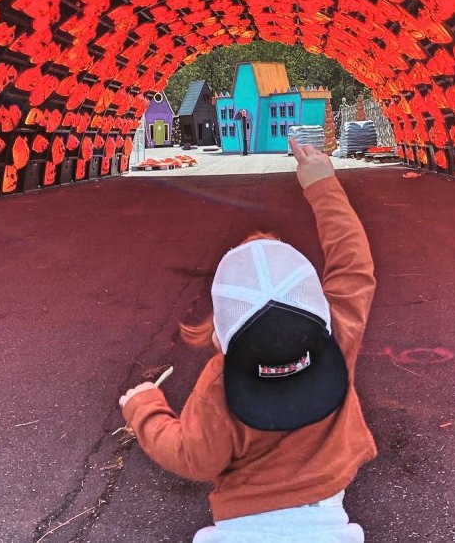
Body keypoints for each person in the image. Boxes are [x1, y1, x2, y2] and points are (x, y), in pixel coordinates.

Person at [119, 138, 377, 542]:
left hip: (241, 529)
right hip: (329, 523)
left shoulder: (222, 382)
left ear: (221, 338)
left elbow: (193, 457)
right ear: (319, 308)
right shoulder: (337, 339)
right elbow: (353, 261)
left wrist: (144, 408)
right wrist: (322, 184)